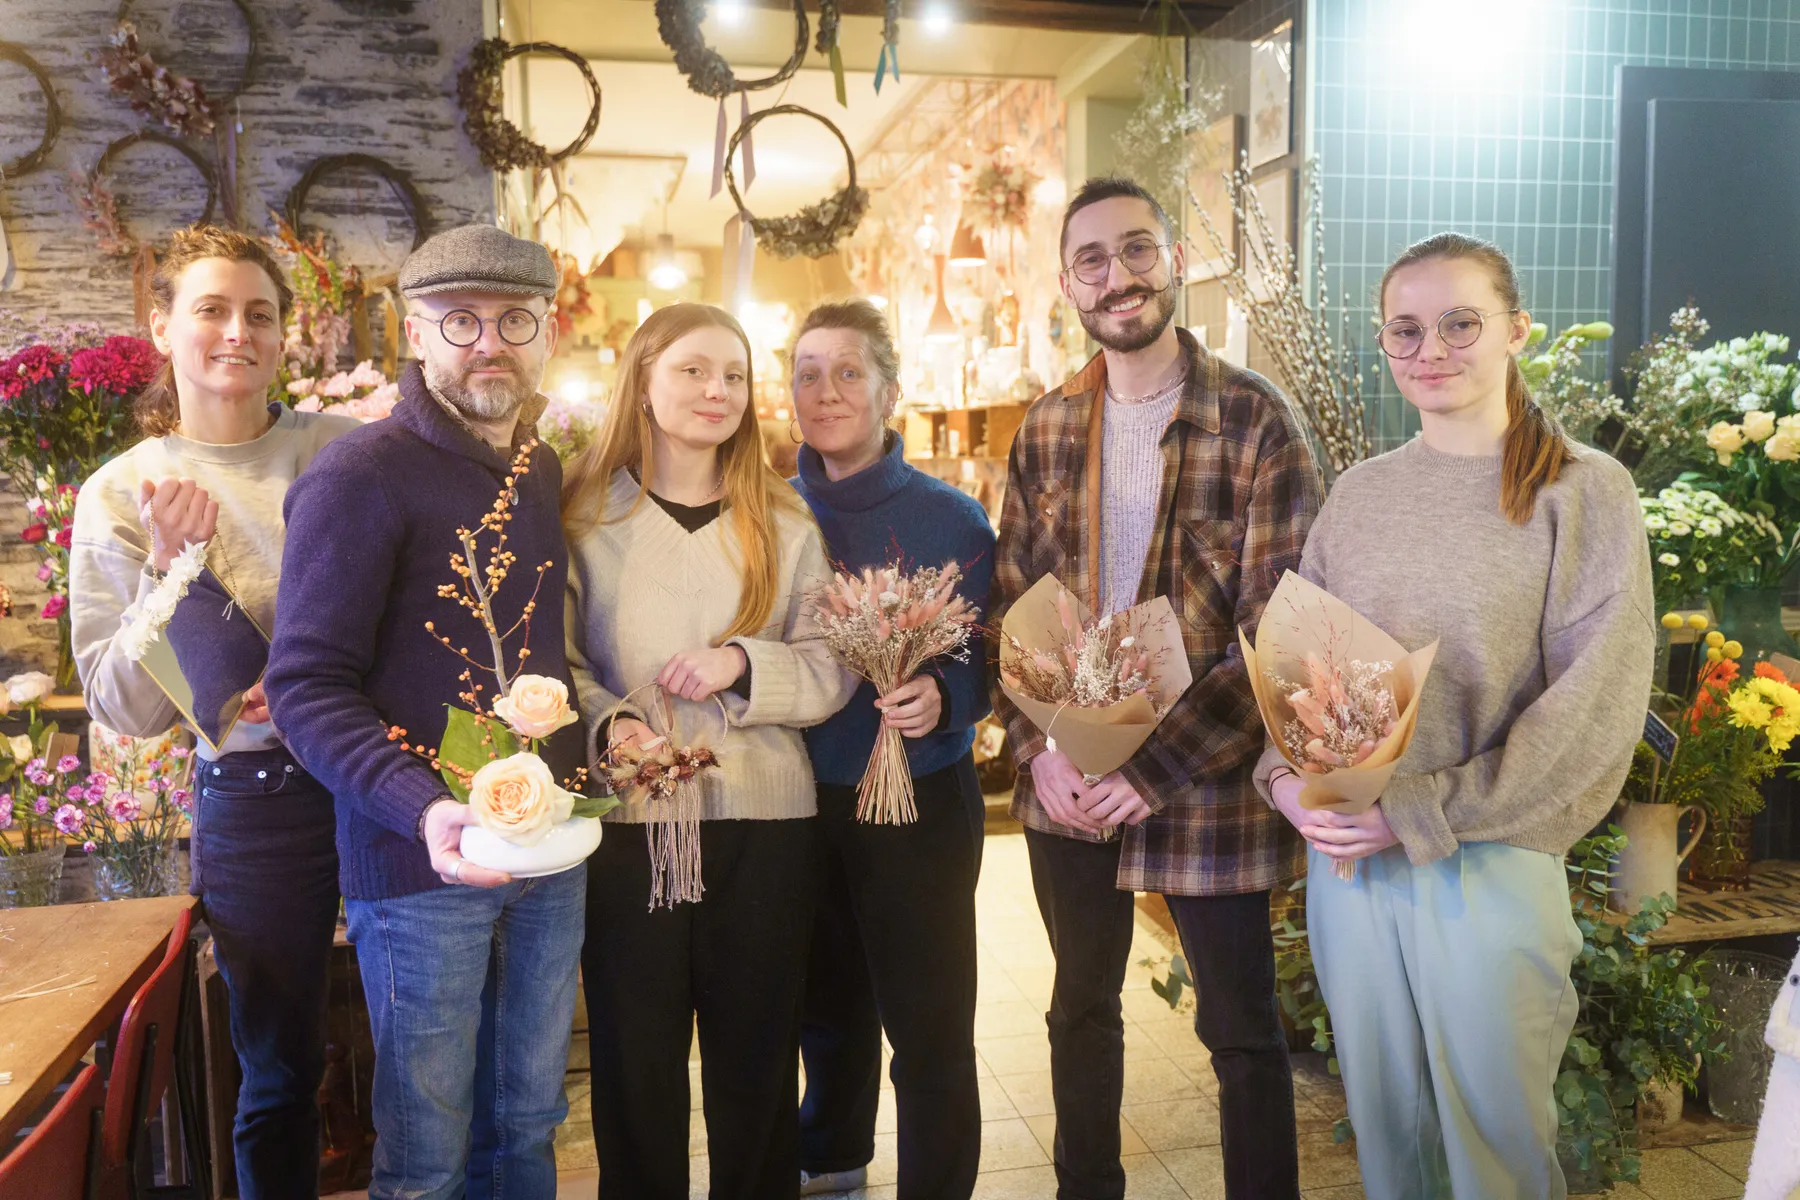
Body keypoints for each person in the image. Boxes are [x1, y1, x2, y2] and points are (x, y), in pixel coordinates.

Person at [1256, 232, 1653, 1199]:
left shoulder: (1581, 489)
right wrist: (1284, 782)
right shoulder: (1360, 495)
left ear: (1515, 329)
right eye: (1406, 329)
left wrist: (1423, 806)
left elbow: (1594, 708)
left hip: (1490, 859)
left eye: (1460, 322)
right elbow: (1298, 665)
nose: (1431, 347)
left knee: (1496, 1151)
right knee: (1390, 1140)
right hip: (1351, 864)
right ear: (1385, 347)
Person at [989, 176, 1323, 1200]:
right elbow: (1015, 605)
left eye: (1137, 250)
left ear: (1173, 261)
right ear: (1066, 283)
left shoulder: (1256, 421)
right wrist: (1037, 750)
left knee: (1240, 1030)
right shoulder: (1045, 428)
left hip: (1208, 784)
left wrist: (1159, 769)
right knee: (1078, 1007)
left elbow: (1281, 628)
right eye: (1093, 259)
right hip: (1070, 782)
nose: (1118, 275)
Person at [265, 224, 586, 1200]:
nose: (489, 342)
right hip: (418, 871)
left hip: (548, 856)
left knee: (529, 1128)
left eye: (514, 319)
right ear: (414, 333)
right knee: (425, 1162)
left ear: (549, 334)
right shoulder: (358, 474)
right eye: (459, 321)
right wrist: (423, 807)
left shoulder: (538, 472)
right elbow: (304, 686)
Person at [71, 225, 358, 1200]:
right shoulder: (118, 492)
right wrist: (166, 568)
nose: (238, 332)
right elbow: (121, 703)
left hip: (379, 778)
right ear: (161, 326)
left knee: (424, 1051)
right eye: (210, 309)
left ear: (286, 336)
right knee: (279, 1070)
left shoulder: (343, 452)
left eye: (260, 314)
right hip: (256, 798)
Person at [562, 302, 855, 1200]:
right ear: (642, 381)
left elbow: (832, 668)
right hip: (630, 829)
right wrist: (613, 725)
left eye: (734, 374)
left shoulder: (787, 523)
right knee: (634, 1065)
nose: (717, 390)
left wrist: (741, 663)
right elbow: (558, 668)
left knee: (757, 1066)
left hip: (765, 827)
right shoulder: (581, 518)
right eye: (692, 370)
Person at [786, 300, 995, 1199]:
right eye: (806, 373)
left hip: (920, 800)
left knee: (930, 1021)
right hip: (797, 800)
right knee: (824, 1004)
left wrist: (944, 696)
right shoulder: (767, 515)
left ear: (889, 392)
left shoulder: (952, 520)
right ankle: (832, 1155)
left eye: (847, 372)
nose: (825, 391)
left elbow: (994, 656)